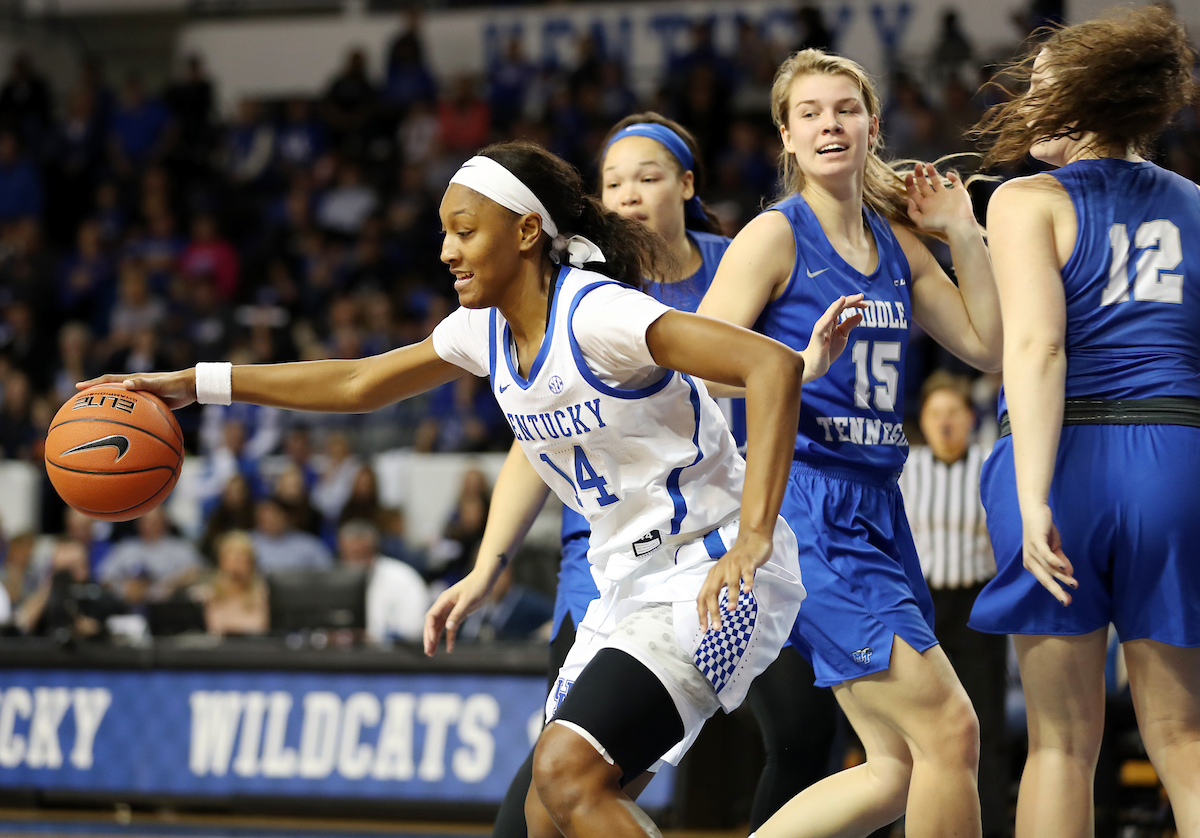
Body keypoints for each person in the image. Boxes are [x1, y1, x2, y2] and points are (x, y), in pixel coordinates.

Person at [83, 138, 862, 838]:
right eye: (445, 232)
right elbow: (357, 382)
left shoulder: (601, 315)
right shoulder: (481, 331)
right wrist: (195, 382)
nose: (448, 250)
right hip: (625, 584)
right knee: (540, 816)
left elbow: (772, 366)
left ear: (527, 231)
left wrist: (757, 536)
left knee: (566, 774)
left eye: (465, 230)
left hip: (711, 572)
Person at [460, 112, 841, 838]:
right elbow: (526, 435)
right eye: (612, 182)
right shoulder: (580, 289)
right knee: (552, 790)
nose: (628, 194)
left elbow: (768, 373)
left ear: (687, 184)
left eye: (648, 176)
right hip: (605, 553)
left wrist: (811, 367)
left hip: (721, 537)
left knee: (801, 735)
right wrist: (489, 563)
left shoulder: (742, 262)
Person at [694, 49, 1002, 837]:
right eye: (810, 113)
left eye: (845, 109)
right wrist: (799, 365)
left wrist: (963, 234)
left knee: (898, 768)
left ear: (871, 126)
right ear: (787, 140)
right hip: (803, 501)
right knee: (952, 732)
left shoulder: (895, 241)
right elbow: (701, 371)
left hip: (876, 503)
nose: (830, 122)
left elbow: (986, 343)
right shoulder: (775, 236)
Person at [965, 8, 1200, 837]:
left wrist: (1034, 499)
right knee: (1183, 738)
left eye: (1040, 87)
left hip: (1064, 457)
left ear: (1082, 102)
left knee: (1061, 745)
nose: (1026, 101)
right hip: (1178, 456)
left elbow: (1035, 348)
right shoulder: (1198, 205)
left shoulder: (1027, 200)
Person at [899, 371, 1007, 838]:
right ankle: (904, 826)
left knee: (985, 725)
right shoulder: (905, 468)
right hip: (921, 611)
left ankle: (992, 828)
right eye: (936, 414)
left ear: (969, 419)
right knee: (911, 728)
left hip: (977, 607)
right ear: (923, 419)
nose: (945, 423)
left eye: (954, 414)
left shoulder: (989, 465)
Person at [337, 518, 428, 644]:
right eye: (348, 555)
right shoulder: (334, 580)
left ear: (374, 550)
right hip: (340, 658)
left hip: (392, 659)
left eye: (361, 554)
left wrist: (374, 637)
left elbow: (416, 629)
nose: (354, 564)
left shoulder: (403, 578)